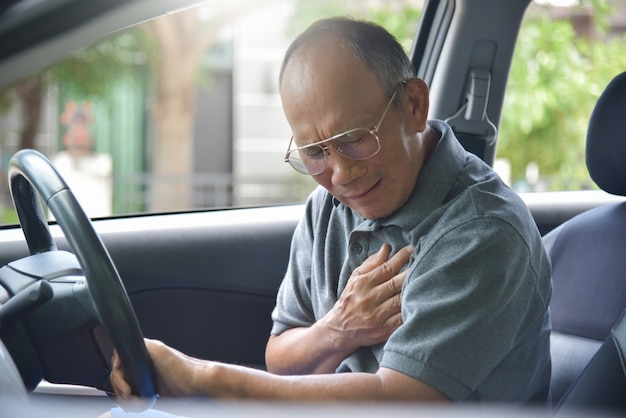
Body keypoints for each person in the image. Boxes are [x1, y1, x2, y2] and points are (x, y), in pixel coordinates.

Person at [110, 17, 552, 405]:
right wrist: (341, 328)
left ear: (414, 107)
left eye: (355, 138)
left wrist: (203, 379)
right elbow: (280, 355)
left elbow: (401, 401)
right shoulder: (328, 207)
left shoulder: (483, 231)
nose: (340, 173)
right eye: (314, 151)